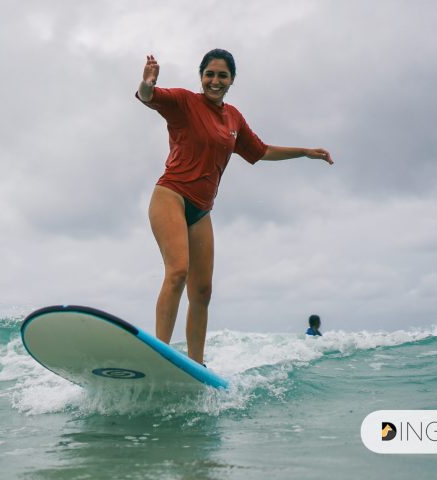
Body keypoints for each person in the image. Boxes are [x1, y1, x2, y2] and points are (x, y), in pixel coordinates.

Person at [136, 49, 333, 364]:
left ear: (231, 80)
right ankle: (160, 353)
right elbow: (148, 96)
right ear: (201, 76)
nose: (215, 81)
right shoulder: (185, 102)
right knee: (178, 272)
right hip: (171, 194)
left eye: (222, 75)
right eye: (210, 74)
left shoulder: (234, 118)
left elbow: (261, 150)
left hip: (201, 210)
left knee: (202, 292)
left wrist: (305, 151)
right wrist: (148, 82)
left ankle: (195, 365)